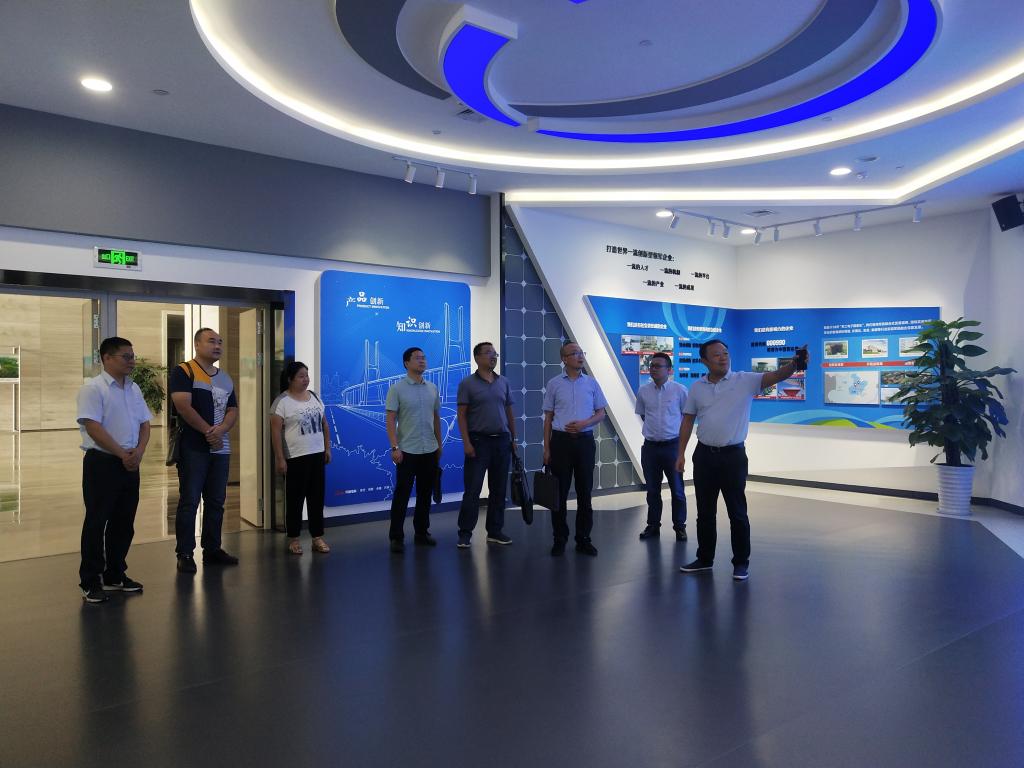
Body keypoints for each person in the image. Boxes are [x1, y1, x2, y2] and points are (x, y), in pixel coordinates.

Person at [676, 340, 808, 580]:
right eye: (717, 355)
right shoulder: (697, 387)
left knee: (737, 512)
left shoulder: (745, 380)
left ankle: (740, 563)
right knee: (705, 513)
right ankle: (704, 559)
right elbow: (687, 421)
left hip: (733, 457)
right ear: (704, 361)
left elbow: (777, 375)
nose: (723, 357)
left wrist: (795, 364)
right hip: (704, 456)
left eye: (725, 353)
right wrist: (680, 454)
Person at [76, 337, 152, 603]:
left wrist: (139, 452)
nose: (132, 361)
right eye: (126, 356)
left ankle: (115, 575)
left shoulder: (134, 388)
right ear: (107, 358)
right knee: (97, 522)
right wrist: (122, 454)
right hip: (103, 463)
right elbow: (93, 427)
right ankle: (90, 580)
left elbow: (145, 424)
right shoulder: (92, 389)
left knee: (124, 522)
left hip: (131, 463)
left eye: (132, 356)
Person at [169, 327, 240, 573]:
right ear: (197, 344)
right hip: (194, 447)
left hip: (221, 449)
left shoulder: (225, 378)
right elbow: (183, 406)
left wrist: (221, 431)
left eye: (220, 342)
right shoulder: (184, 371)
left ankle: (212, 549)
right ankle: (185, 553)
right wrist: (210, 432)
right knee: (189, 501)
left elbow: (232, 410)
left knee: (216, 501)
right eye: (211, 341)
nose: (217, 345)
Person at [542, 341, 607, 557]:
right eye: (575, 353)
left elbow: (601, 413)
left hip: (585, 442)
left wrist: (584, 423)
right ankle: (559, 538)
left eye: (581, 352)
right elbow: (548, 418)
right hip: (560, 442)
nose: (580, 356)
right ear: (564, 359)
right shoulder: (554, 384)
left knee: (584, 492)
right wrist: (547, 448)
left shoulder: (591, 383)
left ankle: (583, 539)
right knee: (558, 494)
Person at [455, 342, 517, 548]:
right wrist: (466, 443)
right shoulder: (467, 384)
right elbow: (461, 416)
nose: (493, 356)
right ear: (477, 357)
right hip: (478, 442)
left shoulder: (504, 382)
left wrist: (514, 439)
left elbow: (509, 412)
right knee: (472, 490)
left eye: (495, 353)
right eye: (489, 353)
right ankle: (465, 533)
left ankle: (495, 531)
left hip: (502, 441)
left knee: (498, 489)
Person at [271, 361, 332, 555]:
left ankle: (317, 537)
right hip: (295, 457)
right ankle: (294, 538)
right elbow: (275, 433)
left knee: (316, 498)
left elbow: (324, 424)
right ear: (290, 379)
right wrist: (280, 458)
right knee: (295, 500)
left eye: (307, 375)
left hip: (317, 455)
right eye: (301, 376)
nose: (306, 379)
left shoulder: (314, 397)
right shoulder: (282, 402)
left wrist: (327, 448)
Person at [386, 347, 442, 553]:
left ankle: (421, 532)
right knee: (402, 495)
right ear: (406, 363)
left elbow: (436, 418)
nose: (422, 361)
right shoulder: (397, 389)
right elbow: (390, 419)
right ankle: (396, 537)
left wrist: (439, 444)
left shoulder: (433, 388)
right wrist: (394, 447)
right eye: (417, 358)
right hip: (407, 451)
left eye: (424, 357)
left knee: (425, 494)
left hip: (430, 449)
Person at [634, 352, 689, 541]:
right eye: (652, 365)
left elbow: (687, 418)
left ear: (669, 370)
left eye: (658, 366)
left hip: (672, 446)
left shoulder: (680, 390)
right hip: (650, 448)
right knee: (652, 490)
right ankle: (653, 526)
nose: (653, 369)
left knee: (677, 490)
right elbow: (643, 415)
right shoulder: (643, 391)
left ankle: (679, 527)